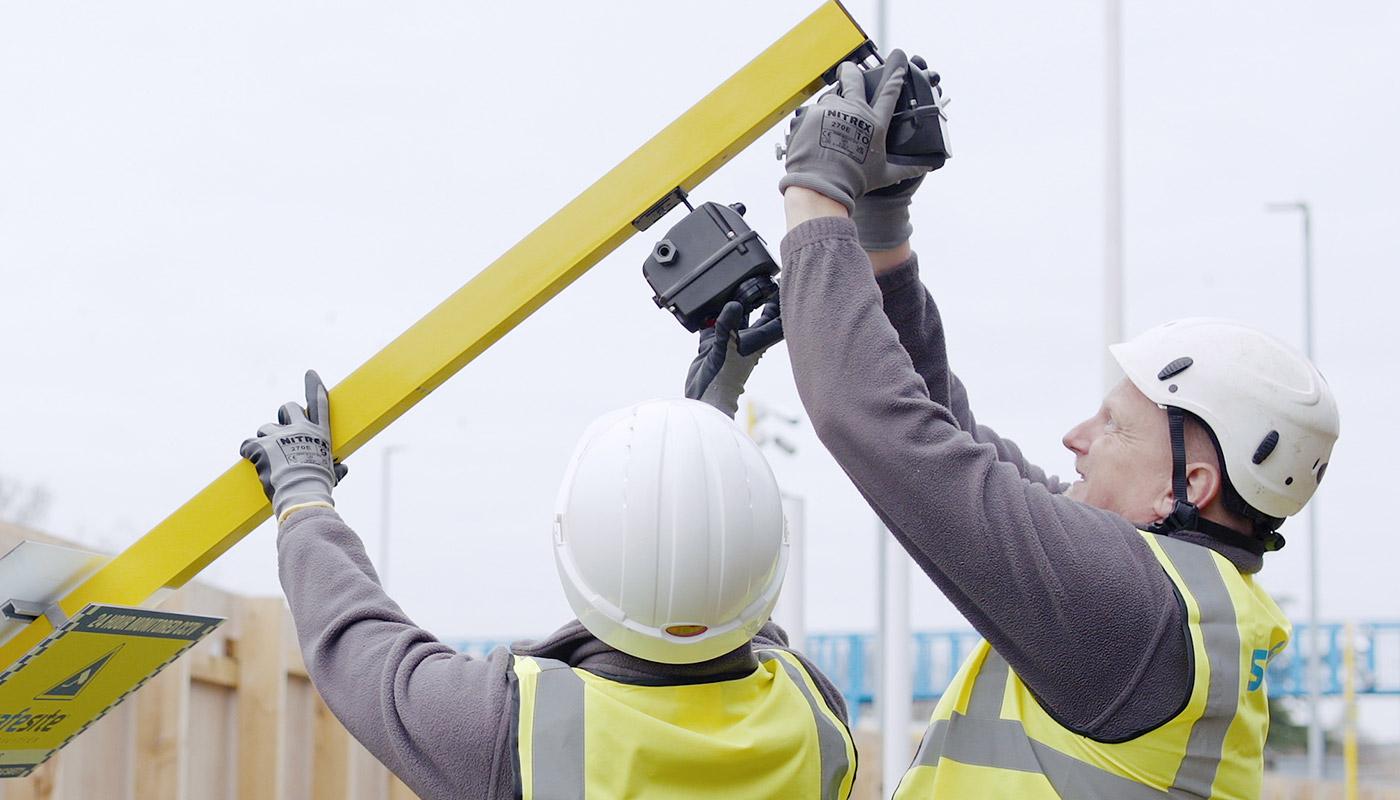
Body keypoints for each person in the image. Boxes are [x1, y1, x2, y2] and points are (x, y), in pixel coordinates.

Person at [767, 48, 1340, 798]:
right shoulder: (1183, 602)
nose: (1075, 439)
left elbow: (880, 426)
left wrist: (817, 198)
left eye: (1113, 426)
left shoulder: (1127, 607)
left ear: (1187, 485)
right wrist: (882, 229)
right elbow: (944, 433)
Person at [237, 371, 856, 800]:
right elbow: (717, 586)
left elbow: (360, 649)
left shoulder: (513, 731)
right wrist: (706, 437)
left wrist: (303, 500)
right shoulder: (815, 712)